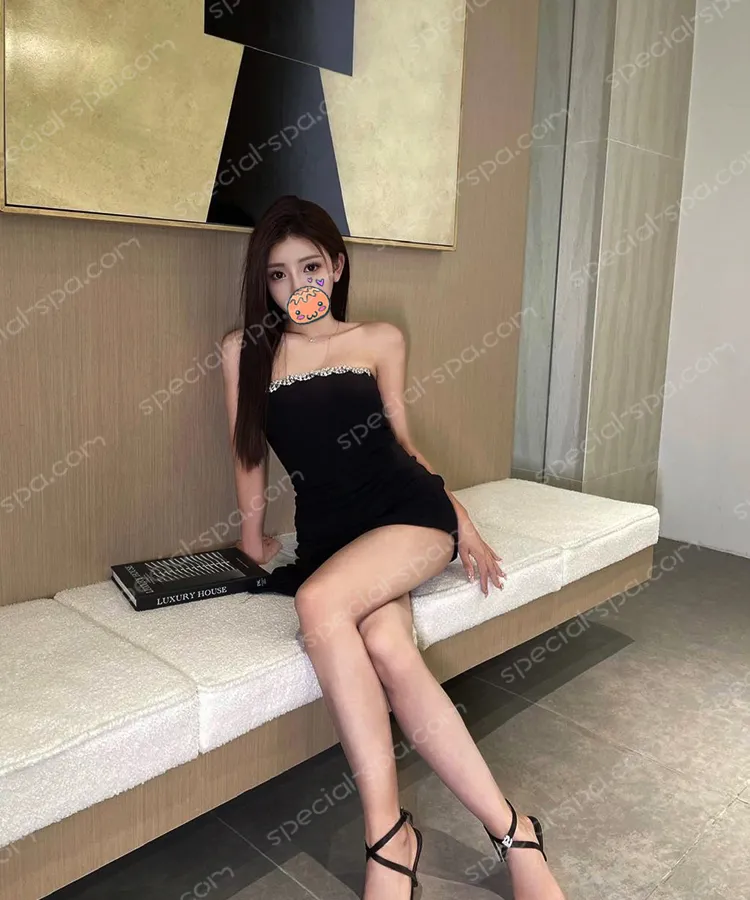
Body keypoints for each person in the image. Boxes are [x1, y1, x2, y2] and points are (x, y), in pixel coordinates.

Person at [221, 195, 566, 900]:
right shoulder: (244, 354)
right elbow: (248, 454)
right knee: (386, 645)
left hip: (407, 514)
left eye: (310, 267)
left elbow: (403, 446)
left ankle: (386, 839)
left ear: (336, 266)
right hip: (332, 538)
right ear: (265, 283)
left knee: (319, 603)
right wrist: (252, 540)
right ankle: (514, 830)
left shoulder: (378, 339)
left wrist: (461, 518)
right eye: (279, 274)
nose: (296, 286)